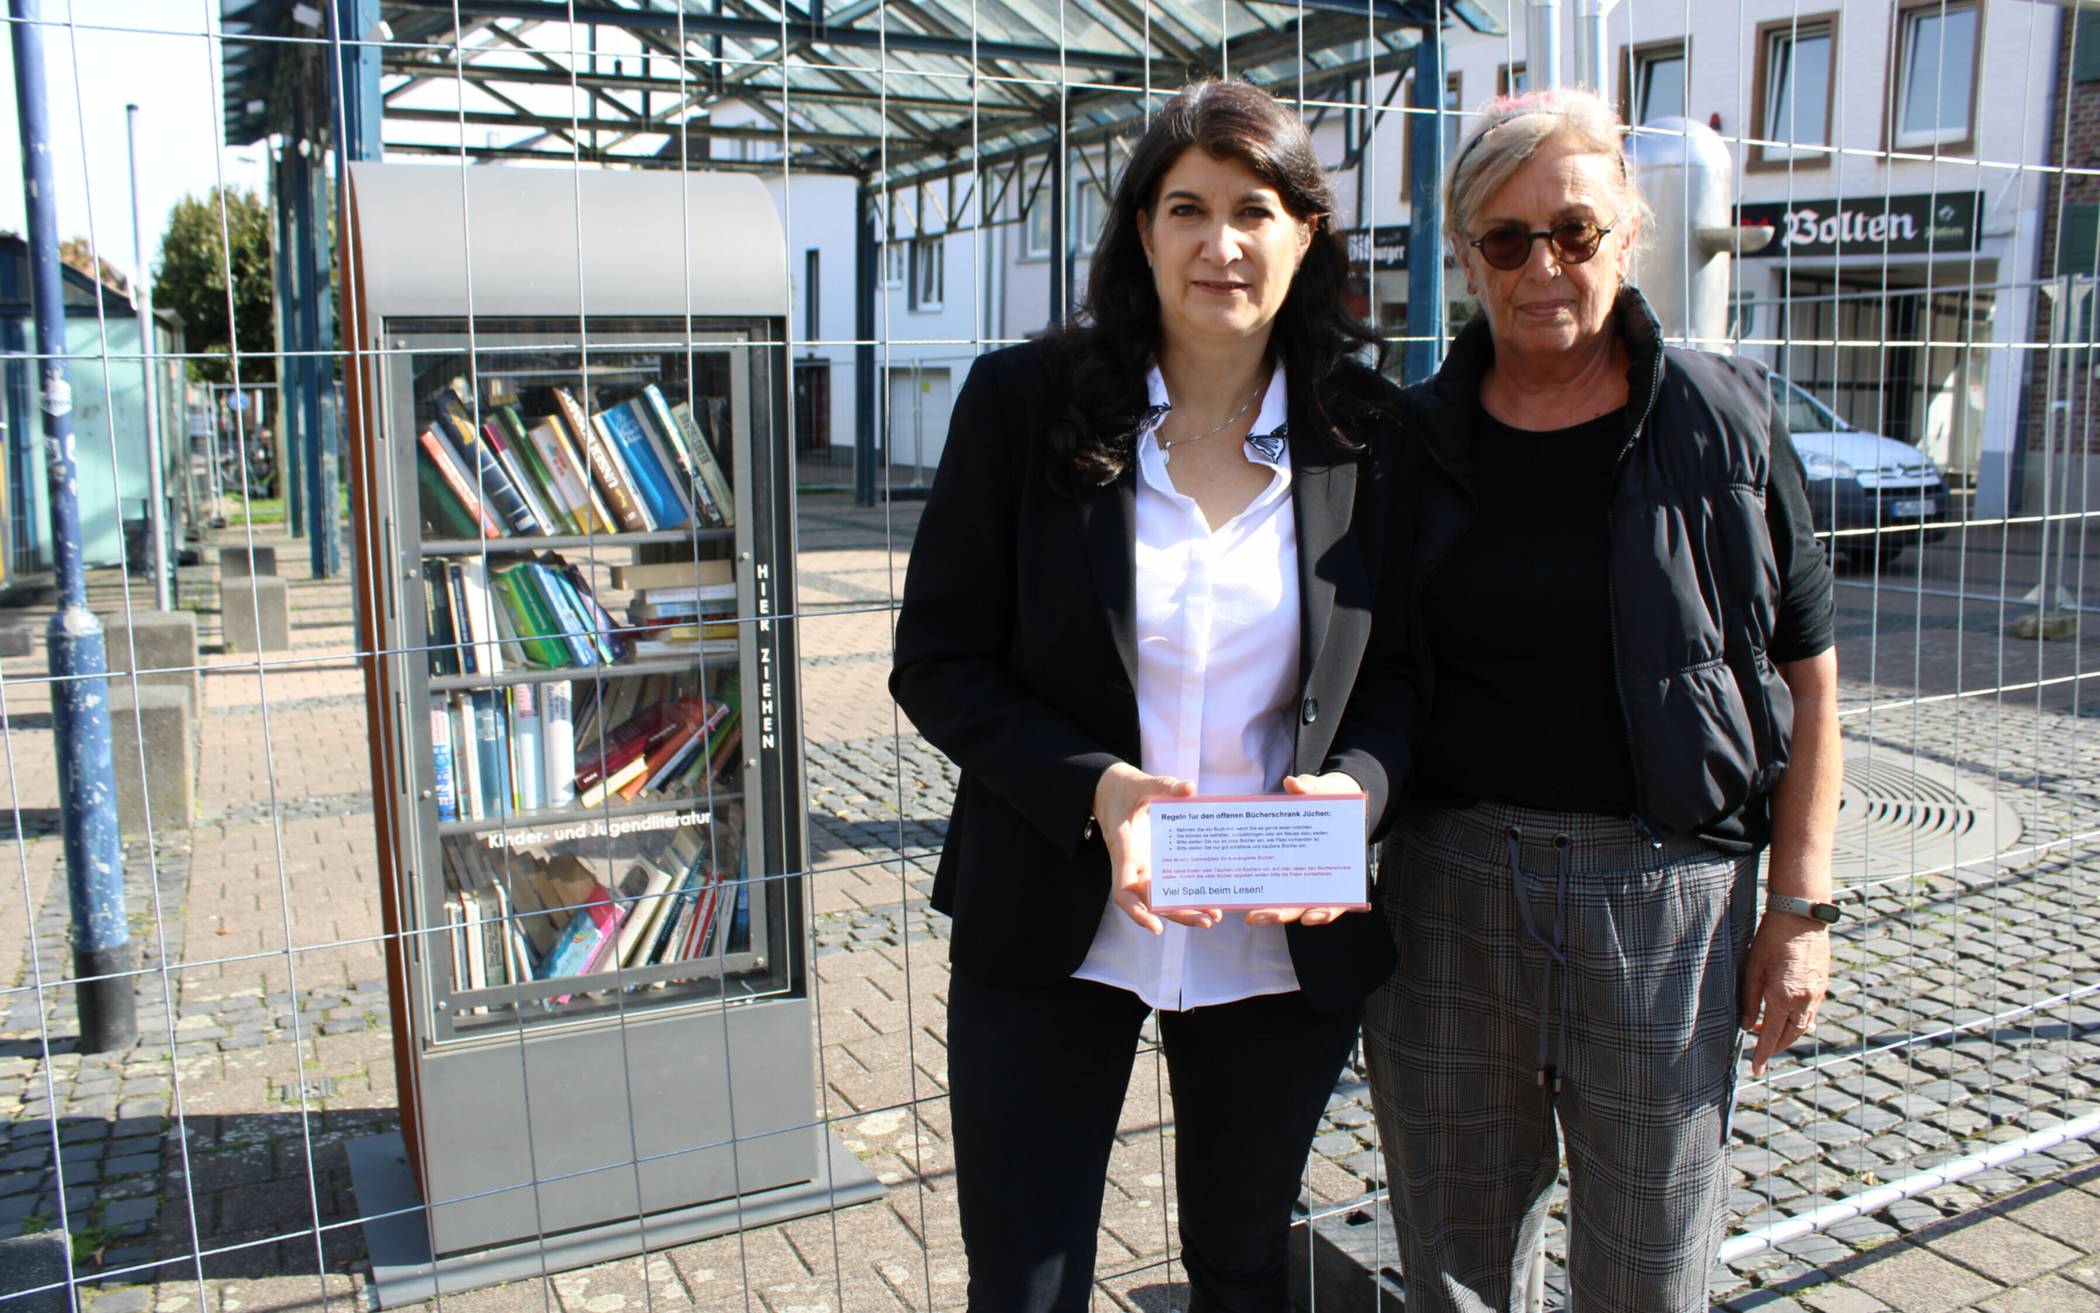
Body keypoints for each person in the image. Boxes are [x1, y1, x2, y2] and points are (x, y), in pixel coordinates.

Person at [890, 79, 1419, 1313]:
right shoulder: (1022, 405)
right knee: (1026, 1280)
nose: (1219, 243)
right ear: (1141, 229)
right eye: (1186, 207)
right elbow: (938, 659)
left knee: (1244, 1270)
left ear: (1305, 236)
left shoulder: (1374, 435)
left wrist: (1356, 793)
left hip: (1276, 933)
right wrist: (1099, 787)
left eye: (1254, 209)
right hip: (1050, 911)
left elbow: (1405, 680)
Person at [1364, 87, 1841, 1313]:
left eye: (1573, 230)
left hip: (1664, 898)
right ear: (1468, 256)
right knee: (1455, 1264)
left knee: (1650, 1270)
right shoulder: (1411, 441)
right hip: (1449, 888)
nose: (1543, 266)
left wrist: (1800, 907)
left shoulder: (1724, 421)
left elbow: (1810, 670)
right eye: (1507, 239)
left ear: (1629, 235)